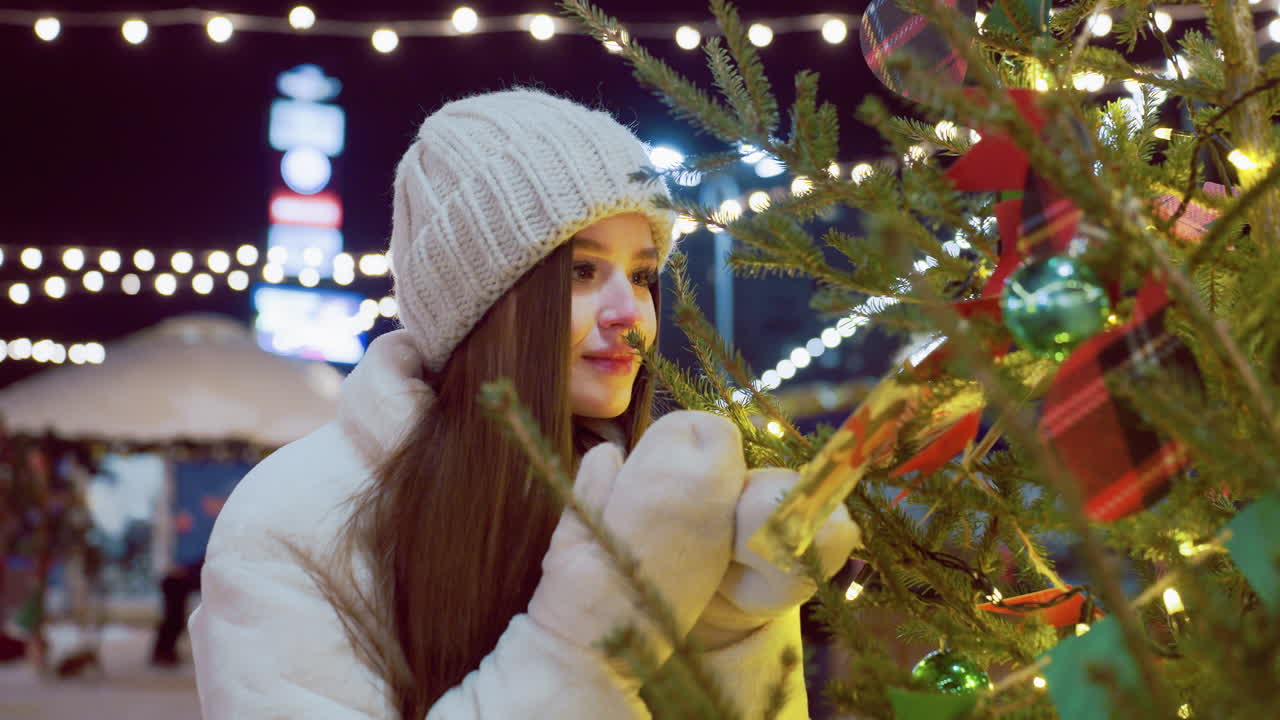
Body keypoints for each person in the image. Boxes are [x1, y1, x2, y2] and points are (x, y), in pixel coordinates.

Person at [188, 88, 859, 719]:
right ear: (483, 307)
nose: (632, 314)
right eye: (582, 271)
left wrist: (729, 627)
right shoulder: (297, 520)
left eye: (644, 274)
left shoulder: (649, 500)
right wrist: (579, 644)